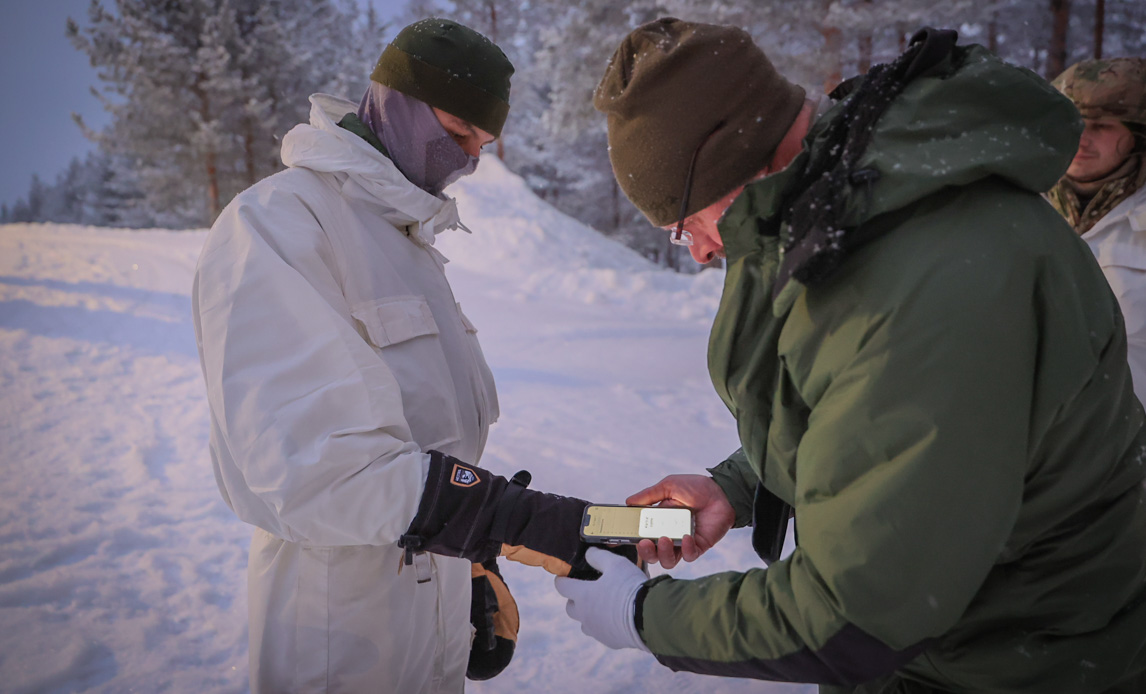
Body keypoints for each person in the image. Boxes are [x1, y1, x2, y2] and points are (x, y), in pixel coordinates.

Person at [554, 18, 1146, 694]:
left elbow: (856, 614)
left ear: (737, 160)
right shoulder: (856, 213)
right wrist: (738, 486)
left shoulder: (932, 276)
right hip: (955, 643)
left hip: (1019, 662)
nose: (697, 250)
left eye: (683, 222)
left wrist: (642, 616)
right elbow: (876, 416)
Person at [193, 18, 613, 694]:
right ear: (394, 99)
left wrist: (470, 553)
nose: (469, 160)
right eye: (455, 134)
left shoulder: (409, 244)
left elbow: (427, 447)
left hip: (434, 614)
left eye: (482, 144)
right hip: (340, 633)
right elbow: (309, 465)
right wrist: (499, 519)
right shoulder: (279, 222)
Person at [1047, 57, 1146, 405]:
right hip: (1044, 443)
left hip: (1132, 437)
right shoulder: (1021, 208)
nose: (1082, 139)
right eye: (1074, 122)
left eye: (1101, 126)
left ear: (1135, 136)